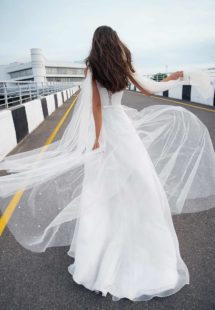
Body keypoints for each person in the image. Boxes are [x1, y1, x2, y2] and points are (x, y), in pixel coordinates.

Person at [0, 25, 215, 302]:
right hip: (125, 131)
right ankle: (148, 250)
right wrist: (175, 77)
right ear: (115, 43)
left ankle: (100, 254)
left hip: (109, 132)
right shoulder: (123, 63)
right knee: (142, 185)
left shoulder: (93, 67)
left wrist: (97, 140)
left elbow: (96, 108)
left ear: (97, 45)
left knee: (102, 191)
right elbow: (149, 89)